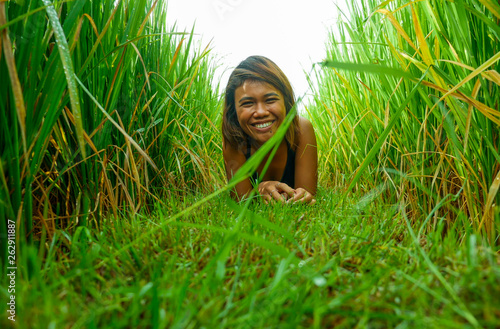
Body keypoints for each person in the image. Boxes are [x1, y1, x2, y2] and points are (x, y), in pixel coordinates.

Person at [222, 56, 318, 204]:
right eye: (248, 103)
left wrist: (300, 196)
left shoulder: (301, 130)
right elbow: (240, 199)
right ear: (234, 110)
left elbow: (306, 194)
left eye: (270, 100)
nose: (260, 112)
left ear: (286, 102)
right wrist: (259, 190)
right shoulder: (233, 139)